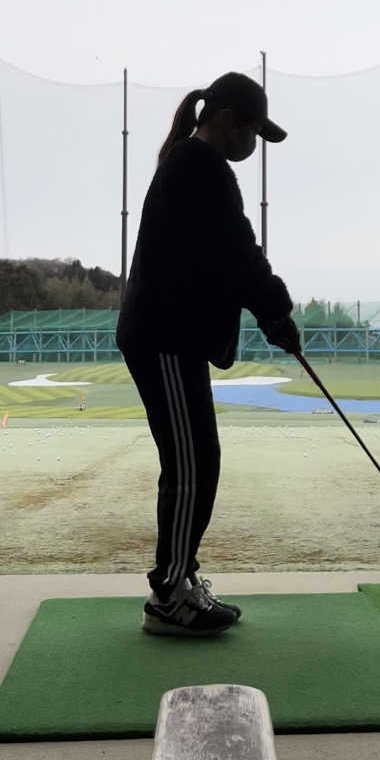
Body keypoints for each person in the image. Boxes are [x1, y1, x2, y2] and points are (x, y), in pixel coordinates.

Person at [116, 72, 299, 637]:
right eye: (252, 131)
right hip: (164, 337)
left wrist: (271, 311)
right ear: (227, 119)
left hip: (173, 336)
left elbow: (225, 257)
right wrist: (275, 312)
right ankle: (169, 595)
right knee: (191, 468)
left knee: (198, 461)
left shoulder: (192, 165)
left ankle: (181, 579)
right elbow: (238, 252)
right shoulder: (200, 167)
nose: (254, 145)